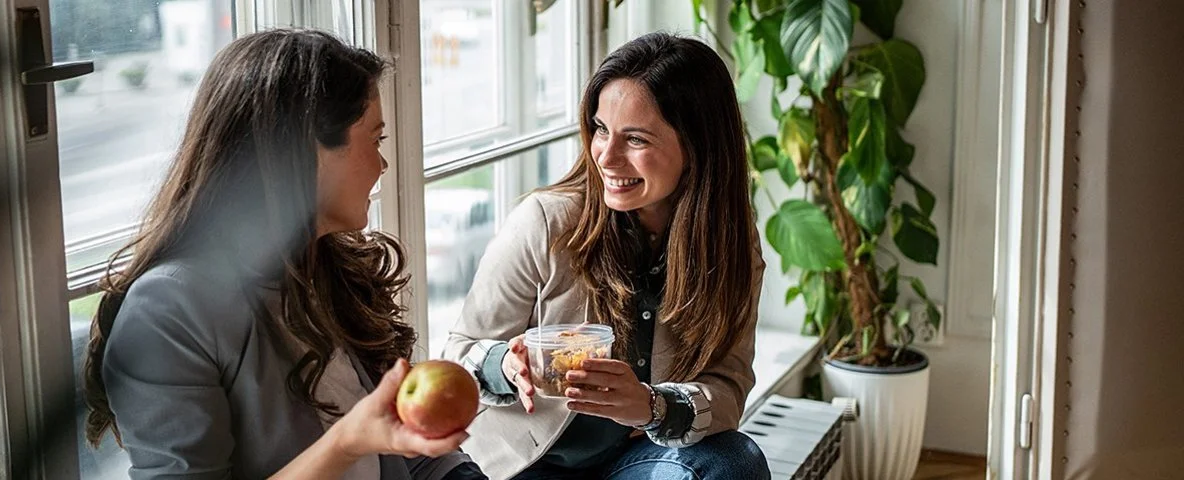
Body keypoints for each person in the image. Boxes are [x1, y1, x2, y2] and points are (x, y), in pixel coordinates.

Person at [81, 29, 484, 480]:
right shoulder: (167, 313)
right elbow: (363, 436)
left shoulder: (328, 268)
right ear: (305, 149)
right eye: (375, 140)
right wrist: (346, 442)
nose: (382, 165)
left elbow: (401, 443)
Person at [443, 32, 771, 479]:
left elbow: (728, 385)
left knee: (736, 462)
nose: (606, 156)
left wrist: (654, 406)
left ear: (697, 147)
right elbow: (458, 353)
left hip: (633, 461)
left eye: (635, 139)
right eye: (600, 129)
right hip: (527, 464)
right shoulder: (546, 222)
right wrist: (505, 364)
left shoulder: (729, 243)